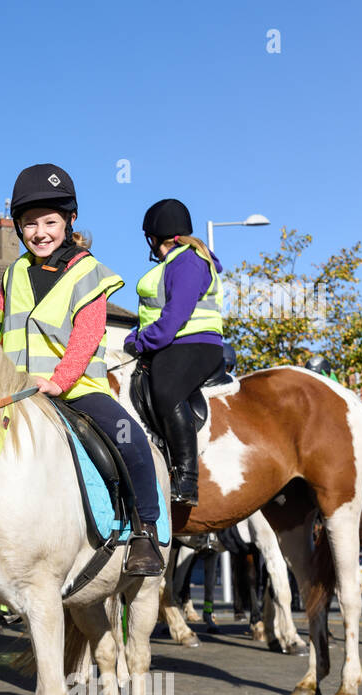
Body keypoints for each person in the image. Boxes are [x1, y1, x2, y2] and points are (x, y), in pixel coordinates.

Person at [0, 164, 164, 575]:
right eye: (29, 223)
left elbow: (86, 337)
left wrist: (58, 381)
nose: (40, 232)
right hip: (16, 390)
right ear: (18, 227)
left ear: (69, 221)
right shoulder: (12, 273)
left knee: (132, 440)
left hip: (77, 388)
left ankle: (145, 532)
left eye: (50, 222)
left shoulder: (89, 272)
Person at [125, 199, 226, 507]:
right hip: (175, 341)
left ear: (153, 238)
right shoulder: (173, 263)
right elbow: (153, 315)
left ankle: (186, 479)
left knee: (166, 389)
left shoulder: (188, 262)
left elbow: (174, 317)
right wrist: (134, 336)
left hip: (195, 343)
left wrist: (142, 342)